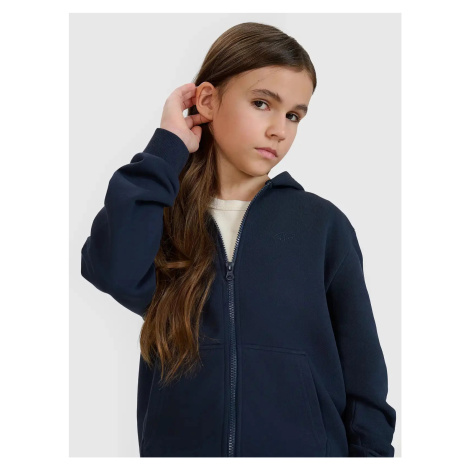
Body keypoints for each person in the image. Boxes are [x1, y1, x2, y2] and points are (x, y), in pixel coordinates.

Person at [81, 21, 396, 457]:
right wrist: (167, 148)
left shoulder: (322, 226)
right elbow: (111, 270)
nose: (279, 130)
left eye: (293, 115)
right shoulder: (163, 218)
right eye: (262, 103)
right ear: (208, 101)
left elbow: (365, 378)